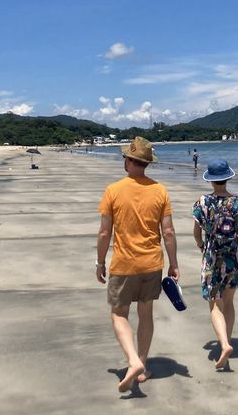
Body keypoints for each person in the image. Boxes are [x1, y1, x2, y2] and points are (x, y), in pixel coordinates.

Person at [96, 136, 180, 392]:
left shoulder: (113, 190)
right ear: (145, 163)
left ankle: (133, 361)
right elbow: (168, 232)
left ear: (129, 161)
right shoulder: (160, 190)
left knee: (119, 314)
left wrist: (100, 262)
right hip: (152, 263)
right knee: (146, 314)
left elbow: (104, 233)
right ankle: (142, 365)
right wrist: (173, 264)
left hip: (124, 265)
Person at [192, 158, 238, 369]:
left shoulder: (203, 202)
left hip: (212, 256)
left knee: (215, 303)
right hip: (234, 256)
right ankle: (226, 344)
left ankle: (223, 345)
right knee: (228, 302)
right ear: (228, 178)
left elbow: (197, 232)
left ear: (211, 180)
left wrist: (201, 245)